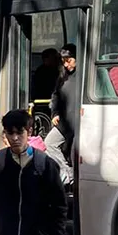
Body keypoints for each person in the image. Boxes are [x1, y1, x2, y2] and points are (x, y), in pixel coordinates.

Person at [45, 44, 78, 184]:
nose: (66, 64)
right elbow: (55, 97)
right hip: (65, 122)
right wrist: (55, 113)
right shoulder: (63, 77)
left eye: (69, 60)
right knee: (50, 143)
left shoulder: (85, 76)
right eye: (63, 61)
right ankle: (68, 174)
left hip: (80, 122)